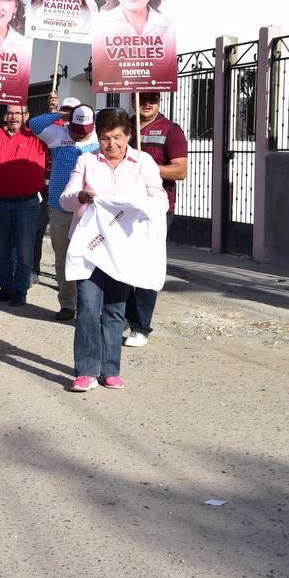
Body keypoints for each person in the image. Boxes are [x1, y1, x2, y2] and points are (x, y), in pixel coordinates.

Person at [60, 108, 167, 392]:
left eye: (118, 138)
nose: (112, 145)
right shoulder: (86, 161)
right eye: (106, 138)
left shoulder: (143, 162)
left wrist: (135, 204)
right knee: (87, 307)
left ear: (129, 135)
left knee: (115, 310)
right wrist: (81, 196)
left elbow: (160, 200)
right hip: (90, 247)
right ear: (98, 137)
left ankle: (110, 369)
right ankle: (86, 370)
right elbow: (65, 199)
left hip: (123, 249)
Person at [124, 91, 188, 348]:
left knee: (146, 265)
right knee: (123, 264)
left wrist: (148, 167)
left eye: (153, 99)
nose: (147, 103)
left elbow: (180, 170)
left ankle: (141, 326)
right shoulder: (124, 127)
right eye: (143, 98)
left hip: (156, 208)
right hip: (125, 207)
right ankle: (123, 317)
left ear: (160, 101)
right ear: (133, 100)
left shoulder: (170, 130)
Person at [28, 94, 99, 321]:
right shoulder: (57, 134)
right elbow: (34, 124)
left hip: (90, 207)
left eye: (85, 130)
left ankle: (89, 304)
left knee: (90, 257)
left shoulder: (98, 136)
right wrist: (62, 113)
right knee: (63, 258)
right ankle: (67, 303)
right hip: (60, 206)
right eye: (77, 129)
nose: (81, 134)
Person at [0, 103, 47, 307]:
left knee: (24, 250)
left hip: (27, 203)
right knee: (2, 249)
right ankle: (5, 287)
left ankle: (20, 290)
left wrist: (52, 107)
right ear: (5, 116)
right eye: (10, 113)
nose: (14, 116)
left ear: (27, 116)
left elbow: (54, 124)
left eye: (19, 113)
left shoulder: (38, 137)